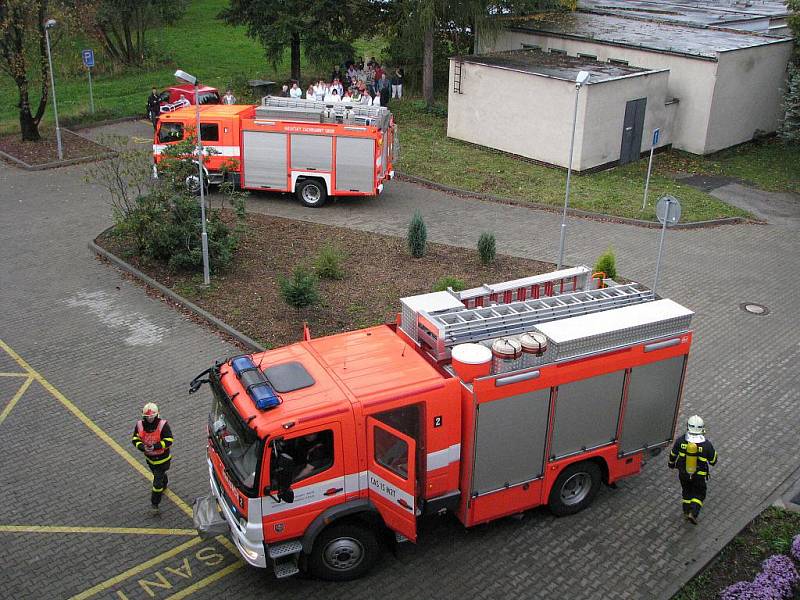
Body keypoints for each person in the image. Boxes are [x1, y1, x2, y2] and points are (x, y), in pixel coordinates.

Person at [668, 415, 718, 524]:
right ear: (702, 428)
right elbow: (713, 461)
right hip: (699, 475)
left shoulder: (681, 441)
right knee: (699, 493)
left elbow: (673, 454)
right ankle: (693, 512)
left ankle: (686, 511)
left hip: (683, 473)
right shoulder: (706, 445)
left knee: (686, 492)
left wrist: (671, 464)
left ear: (688, 427)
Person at [132, 403, 174, 513]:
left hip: (163, 460)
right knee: (159, 475)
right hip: (150, 460)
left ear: (156, 415)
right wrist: (142, 447)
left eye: (152, 416)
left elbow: (169, 440)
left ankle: (155, 504)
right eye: (147, 417)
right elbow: (135, 439)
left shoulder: (163, 425)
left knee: (157, 484)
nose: (150, 418)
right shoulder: (140, 425)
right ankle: (164, 482)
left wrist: (155, 446)